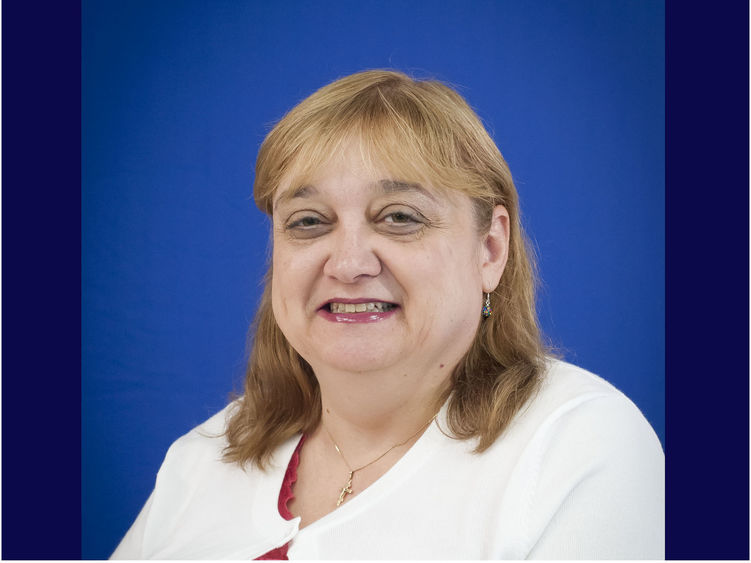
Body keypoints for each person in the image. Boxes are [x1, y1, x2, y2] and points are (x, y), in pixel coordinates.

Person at [111, 69, 664, 559]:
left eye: (399, 216)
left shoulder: (574, 445)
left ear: (490, 249)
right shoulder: (207, 455)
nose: (349, 263)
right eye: (308, 221)